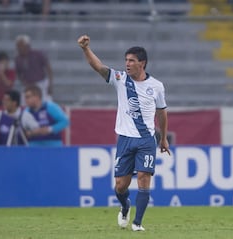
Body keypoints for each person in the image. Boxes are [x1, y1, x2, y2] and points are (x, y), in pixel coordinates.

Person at [77, 35, 170, 231]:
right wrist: (86, 49)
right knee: (121, 186)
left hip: (146, 139)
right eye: (126, 60)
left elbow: (162, 112)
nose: (127, 64)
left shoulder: (157, 86)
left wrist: (163, 138)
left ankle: (137, 223)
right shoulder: (120, 79)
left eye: (131, 61)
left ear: (142, 63)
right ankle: (125, 205)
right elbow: (99, 67)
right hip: (125, 139)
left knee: (144, 178)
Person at [15, 34, 53, 103]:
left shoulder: (37, 55)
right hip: (28, 85)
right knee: (24, 102)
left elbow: (48, 68)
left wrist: (50, 84)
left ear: (27, 46)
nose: (19, 48)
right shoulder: (18, 59)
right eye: (18, 46)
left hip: (41, 84)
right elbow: (18, 74)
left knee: (46, 103)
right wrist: (24, 82)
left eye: (20, 46)